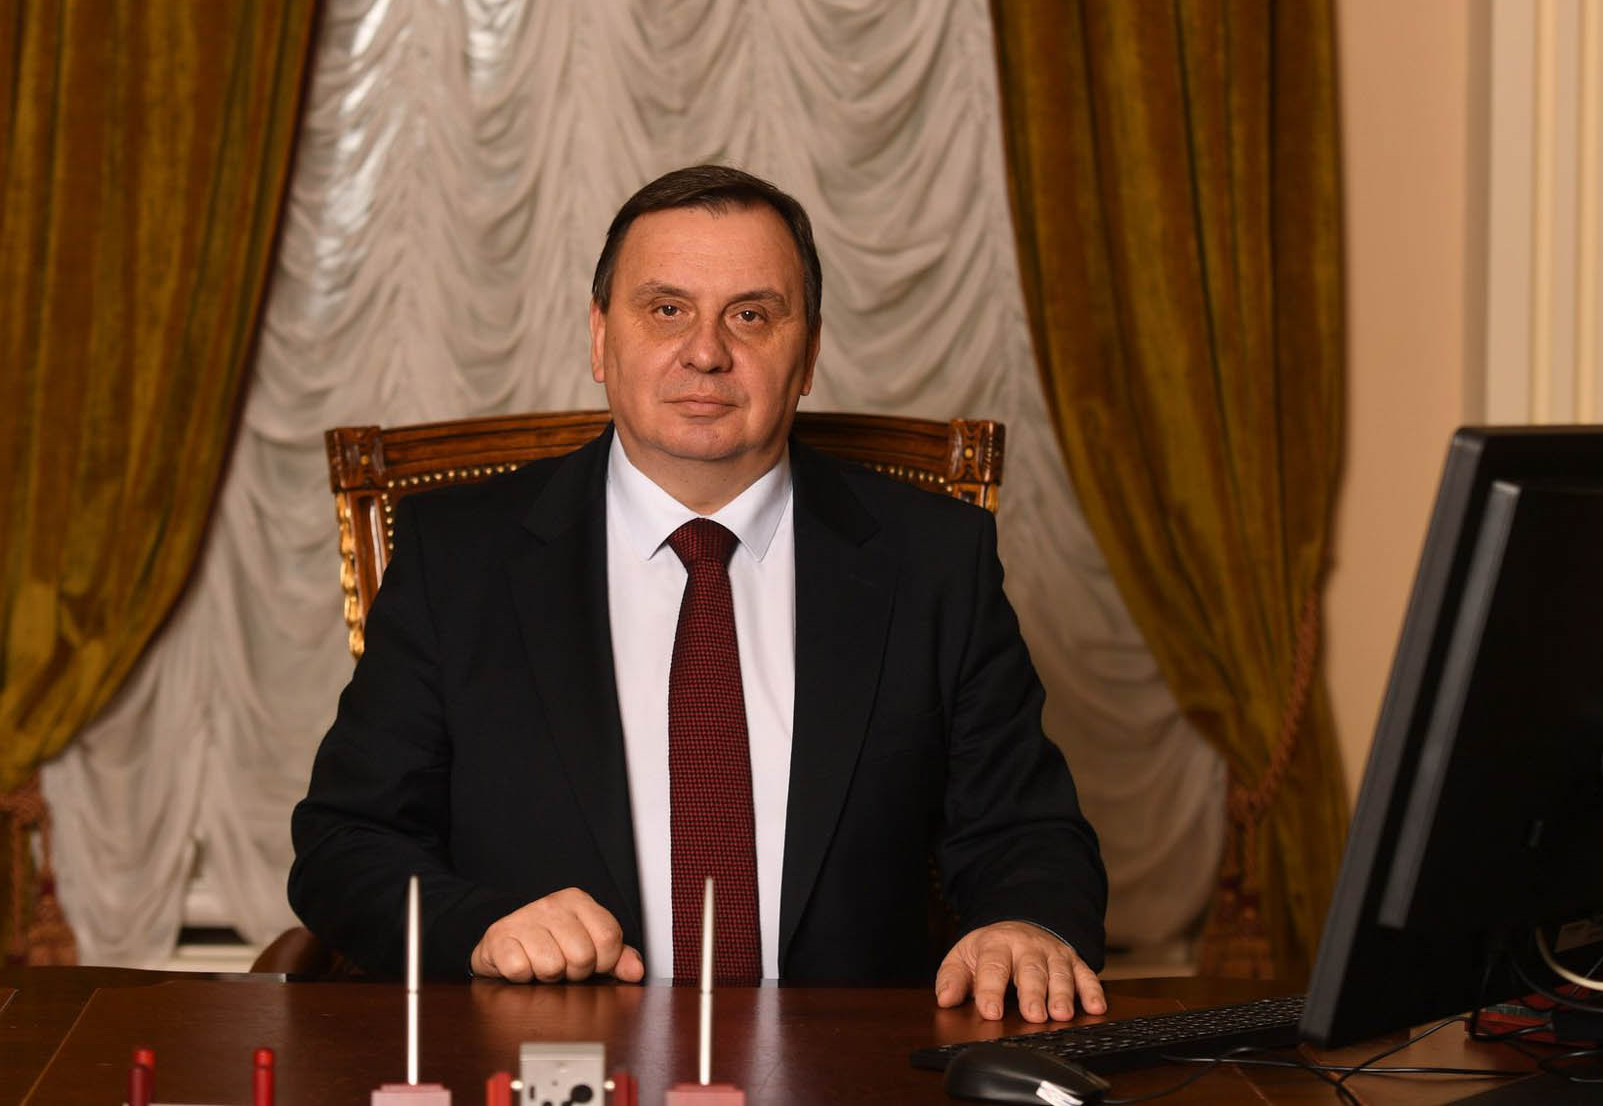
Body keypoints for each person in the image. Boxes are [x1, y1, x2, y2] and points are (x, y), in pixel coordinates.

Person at [290, 165, 1108, 1023]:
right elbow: (346, 844)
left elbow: (1026, 830)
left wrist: (1024, 924)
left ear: (809, 354)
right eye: (666, 309)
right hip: (553, 1058)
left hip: (848, 1065)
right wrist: (480, 930)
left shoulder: (934, 559)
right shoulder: (458, 557)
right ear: (600, 338)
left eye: (751, 315)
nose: (707, 352)